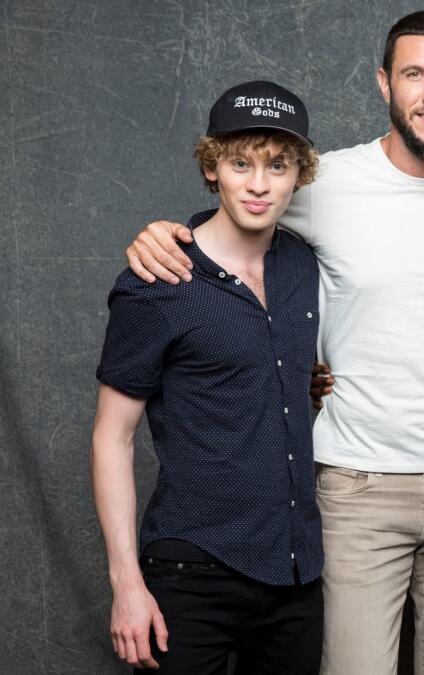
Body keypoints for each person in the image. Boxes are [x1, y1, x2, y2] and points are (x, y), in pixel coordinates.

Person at [119, 12, 424, 675]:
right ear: (383, 83)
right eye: (415, 74)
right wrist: (162, 234)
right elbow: (240, 209)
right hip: (358, 485)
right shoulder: (326, 183)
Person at [91, 80, 323, 673]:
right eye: (240, 162)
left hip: (295, 573)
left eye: (277, 165)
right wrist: (126, 585)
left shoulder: (303, 266)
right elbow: (111, 437)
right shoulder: (160, 277)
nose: (259, 183)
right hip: (192, 570)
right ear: (212, 166)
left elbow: (276, 387)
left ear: (299, 175)